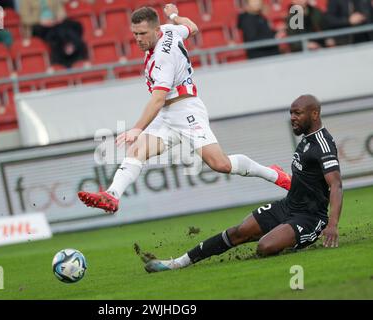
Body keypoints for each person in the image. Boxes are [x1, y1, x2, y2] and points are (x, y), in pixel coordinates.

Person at [77, 4, 292, 214]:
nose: (138, 39)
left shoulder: (163, 56)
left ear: (156, 30)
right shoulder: (170, 30)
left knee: (221, 164)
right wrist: (175, 17)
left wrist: (137, 128)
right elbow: (192, 26)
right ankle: (112, 194)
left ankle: (273, 174)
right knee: (136, 151)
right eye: (135, 34)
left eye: (143, 33)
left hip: (185, 110)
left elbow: (158, 99)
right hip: (167, 114)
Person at [143, 94, 343, 273]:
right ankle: (177, 263)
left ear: (314, 114)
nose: (292, 117)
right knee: (237, 232)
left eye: (297, 113)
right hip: (288, 206)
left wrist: (332, 224)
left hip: (310, 217)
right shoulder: (306, 139)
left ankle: (292, 238)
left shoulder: (323, 145)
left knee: (265, 247)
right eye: (291, 113)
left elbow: (336, 185)